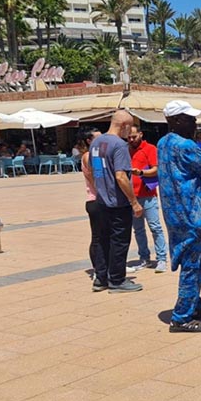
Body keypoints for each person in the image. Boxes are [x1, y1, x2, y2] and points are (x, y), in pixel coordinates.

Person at [157, 100, 201, 333]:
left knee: (192, 260)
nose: (195, 122)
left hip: (174, 213)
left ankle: (194, 303)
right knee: (192, 265)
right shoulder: (187, 146)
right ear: (176, 120)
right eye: (190, 119)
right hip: (192, 214)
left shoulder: (162, 143)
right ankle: (182, 316)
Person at [88, 110, 144, 293]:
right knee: (119, 242)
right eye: (130, 127)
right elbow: (121, 176)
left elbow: (93, 170)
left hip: (101, 200)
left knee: (102, 240)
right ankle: (117, 280)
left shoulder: (96, 143)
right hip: (117, 203)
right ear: (125, 125)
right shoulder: (119, 145)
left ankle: (101, 278)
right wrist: (134, 202)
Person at [126, 126, 168, 274]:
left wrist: (141, 172)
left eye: (134, 136)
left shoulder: (150, 149)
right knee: (138, 230)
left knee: (155, 227)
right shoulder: (125, 150)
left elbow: (156, 169)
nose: (131, 140)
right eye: (129, 137)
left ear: (141, 134)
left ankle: (162, 258)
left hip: (148, 195)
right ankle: (144, 257)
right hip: (132, 196)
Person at [78, 127, 106, 291]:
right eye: (98, 138)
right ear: (89, 141)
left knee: (104, 236)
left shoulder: (95, 155)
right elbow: (96, 178)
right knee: (97, 237)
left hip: (100, 200)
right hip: (95, 200)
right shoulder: (89, 156)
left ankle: (104, 267)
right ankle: (98, 269)